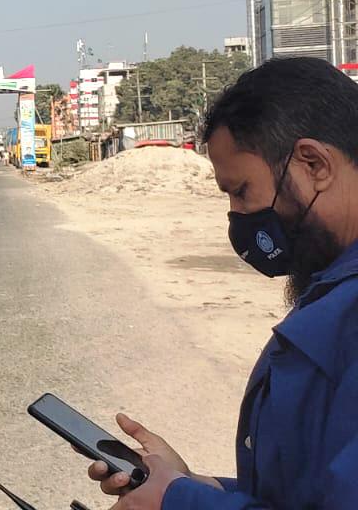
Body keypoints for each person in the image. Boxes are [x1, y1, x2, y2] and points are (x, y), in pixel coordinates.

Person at [87, 58, 358, 509]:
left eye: (242, 191)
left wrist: (177, 502)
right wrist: (188, 483)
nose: (238, 215)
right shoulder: (333, 288)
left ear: (314, 164)